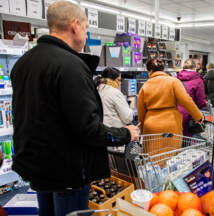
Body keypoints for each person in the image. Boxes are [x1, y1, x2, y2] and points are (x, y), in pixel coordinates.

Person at [10, 1, 138, 216]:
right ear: (75, 25)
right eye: (86, 29)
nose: (86, 35)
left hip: (38, 165)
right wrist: (125, 133)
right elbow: (88, 128)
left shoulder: (24, 62)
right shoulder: (70, 65)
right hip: (67, 169)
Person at [138, 58, 203, 153]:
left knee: (152, 158)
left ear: (149, 71)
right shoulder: (174, 82)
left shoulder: (145, 86)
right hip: (171, 124)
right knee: (170, 157)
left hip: (151, 126)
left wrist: (142, 130)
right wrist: (198, 117)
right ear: (163, 69)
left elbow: (141, 112)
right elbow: (186, 101)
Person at [177, 59, 207, 137]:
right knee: (187, 140)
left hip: (174, 112)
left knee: (176, 139)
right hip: (189, 112)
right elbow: (200, 101)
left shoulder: (175, 78)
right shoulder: (198, 80)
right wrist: (205, 105)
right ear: (195, 68)